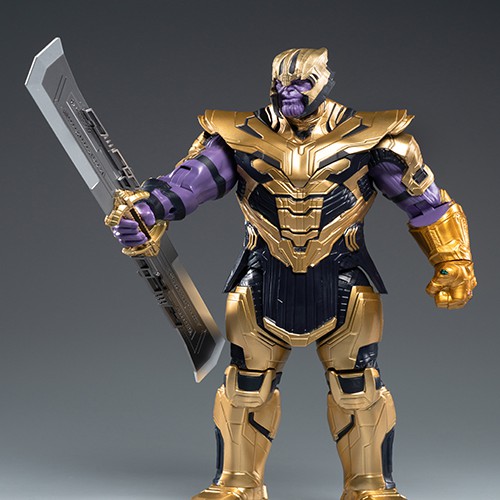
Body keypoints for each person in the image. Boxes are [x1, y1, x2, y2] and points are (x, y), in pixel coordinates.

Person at [112, 48, 476, 500]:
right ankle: (238, 483)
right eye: (281, 84)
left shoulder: (372, 138)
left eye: (302, 83)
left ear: (325, 80)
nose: (289, 92)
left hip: (344, 280)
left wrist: (453, 260)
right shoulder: (239, 136)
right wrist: (149, 209)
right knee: (246, 386)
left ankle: (369, 485)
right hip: (261, 279)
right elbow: (188, 184)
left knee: (357, 388)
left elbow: (425, 201)